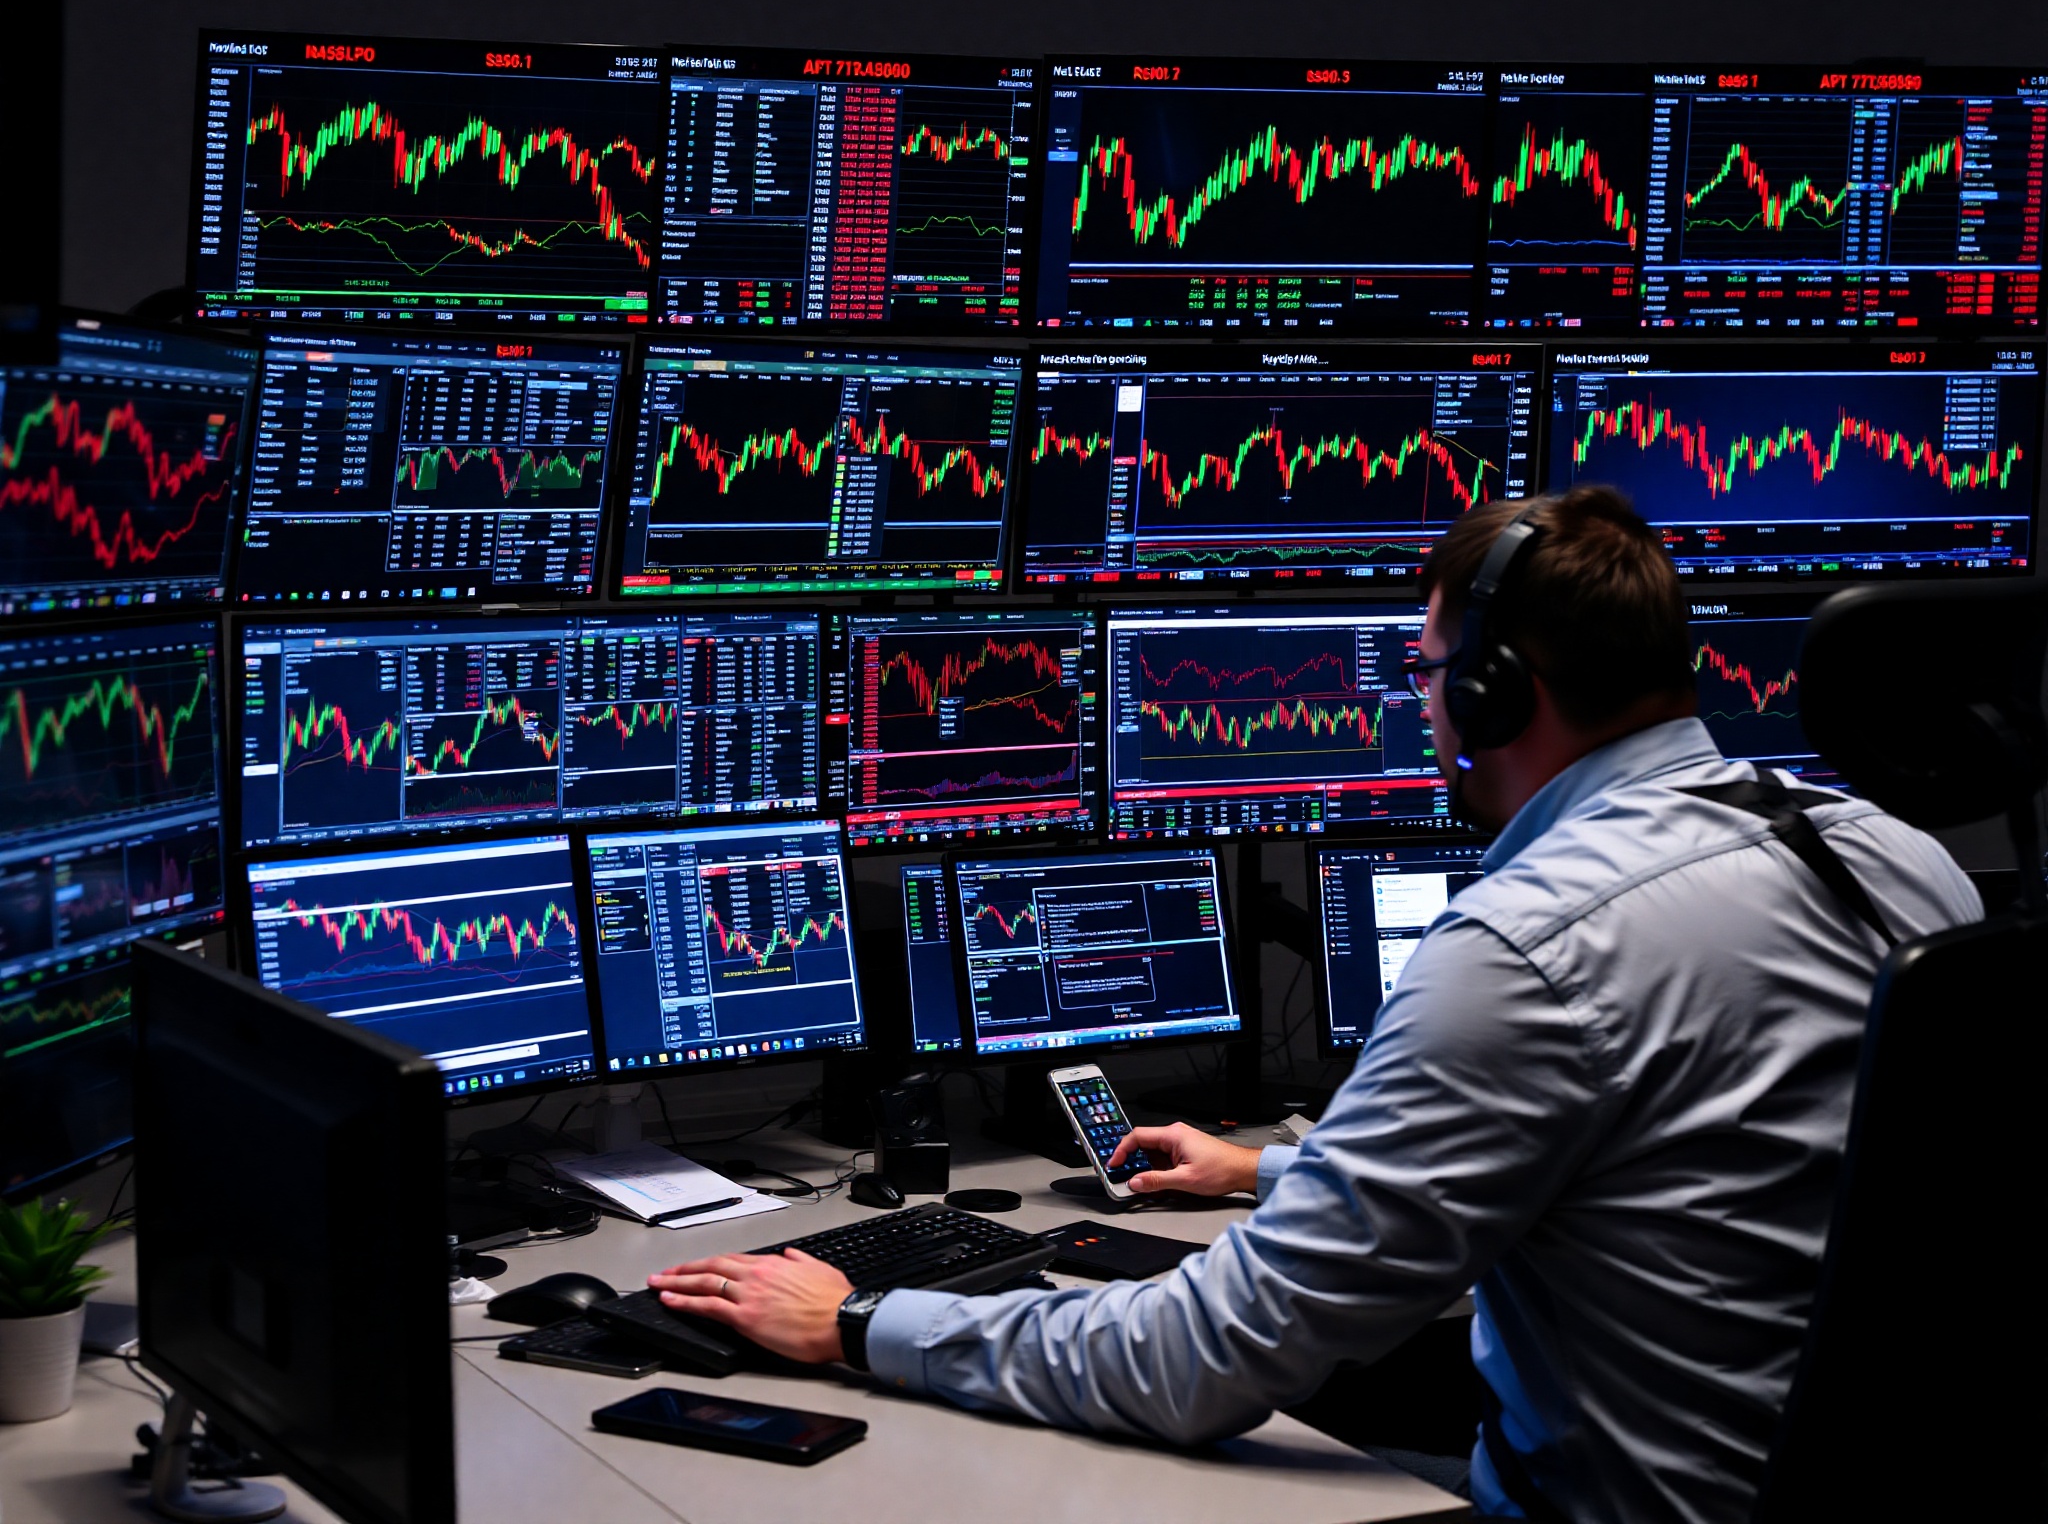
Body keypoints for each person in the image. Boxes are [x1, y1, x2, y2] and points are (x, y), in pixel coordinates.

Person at [649, 488, 1979, 1523]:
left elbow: (1207, 1358)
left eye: (1426, 674)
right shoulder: (1887, 854)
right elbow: (1687, 1154)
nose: (1427, 711)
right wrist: (1274, 1165)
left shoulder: (1526, 948)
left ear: (1491, 691)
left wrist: (862, 1323)